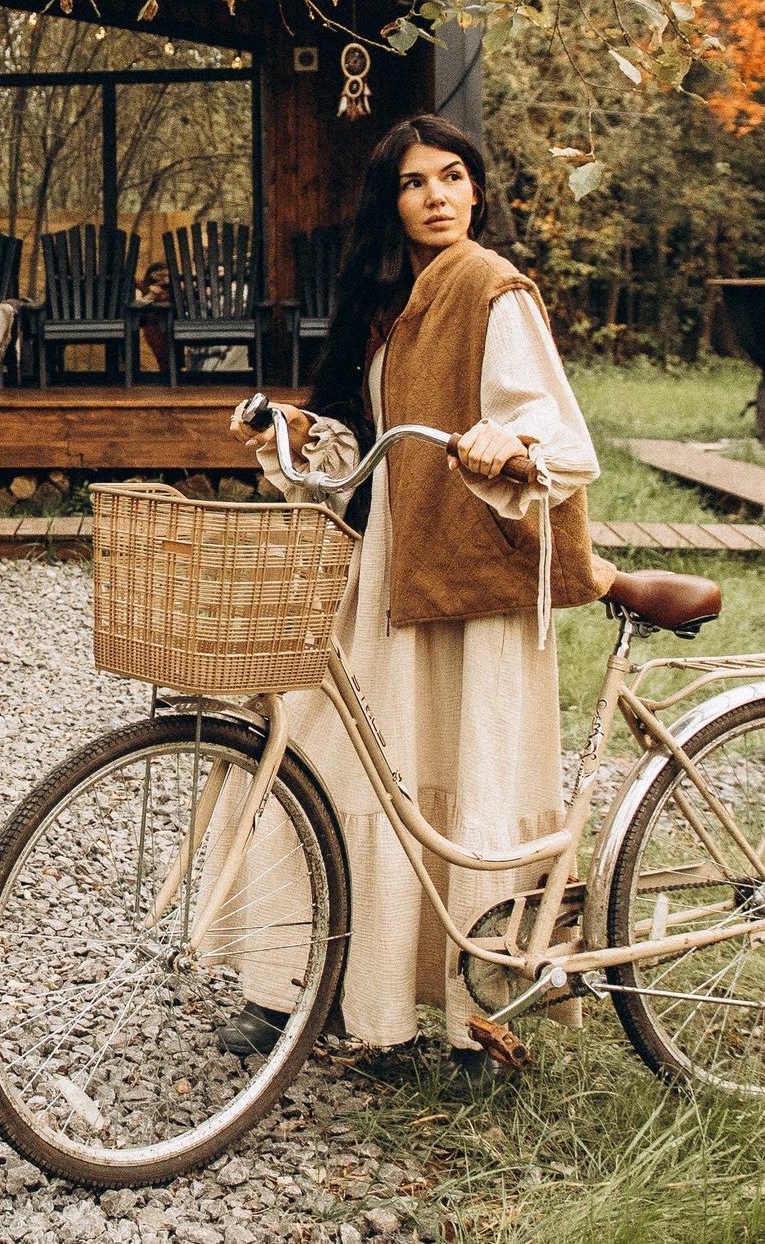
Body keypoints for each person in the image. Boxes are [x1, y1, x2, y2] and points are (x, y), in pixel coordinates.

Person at [215, 114, 611, 1092]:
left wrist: (503, 446)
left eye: (454, 176)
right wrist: (301, 431)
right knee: (323, 751)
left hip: (470, 574)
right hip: (389, 559)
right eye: (413, 182)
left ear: (476, 191)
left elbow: (559, 440)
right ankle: (299, 981)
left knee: (458, 776)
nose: (437, 195)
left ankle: (472, 1019)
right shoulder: (387, 301)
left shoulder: (490, 287)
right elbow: (366, 446)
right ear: (385, 203)